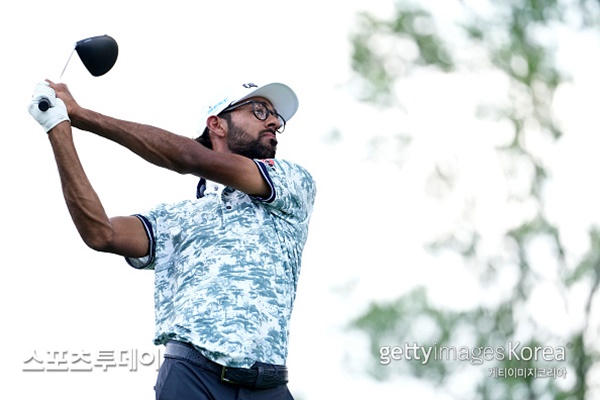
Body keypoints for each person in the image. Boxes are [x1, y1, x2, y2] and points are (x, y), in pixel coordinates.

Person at [27, 80, 317, 399]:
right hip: (192, 378)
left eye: (277, 116)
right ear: (217, 124)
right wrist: (59, 127)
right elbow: (101, 233)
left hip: (269, 385)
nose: (274, 121)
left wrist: (84, 116)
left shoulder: (292, 184)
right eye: (259, 110)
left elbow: (192, 159)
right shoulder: (176, 217)